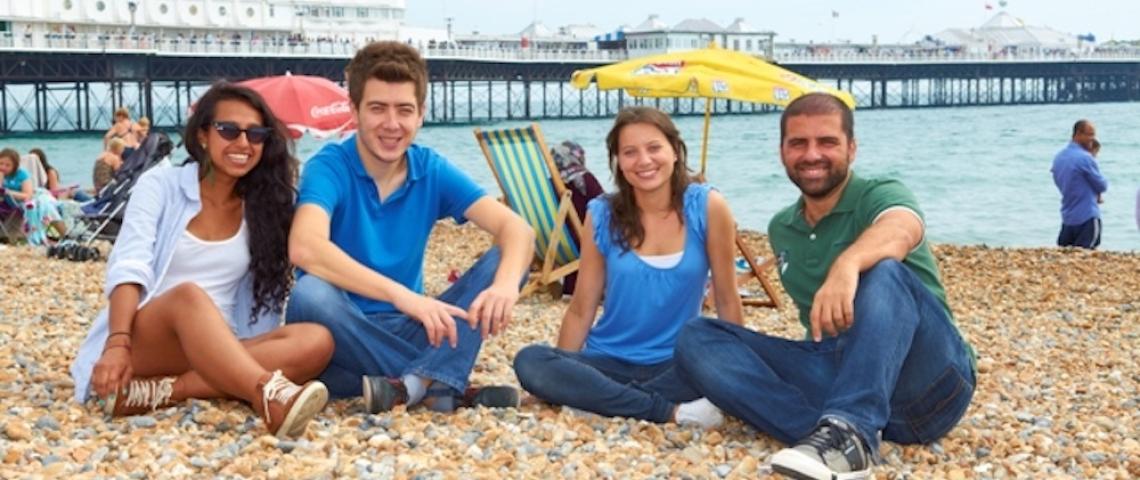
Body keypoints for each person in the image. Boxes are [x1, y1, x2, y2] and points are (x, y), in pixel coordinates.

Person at [675, 93, 976, 480]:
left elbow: (900, 229)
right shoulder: (782, 227)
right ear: (782, 151)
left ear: (851, 148)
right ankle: (827, 435)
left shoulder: (880, 193)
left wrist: (848, 264)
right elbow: (816, 331)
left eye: (827, 142)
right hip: (844, 379)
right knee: (697, 337)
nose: (812, 154)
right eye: (798, 143)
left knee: (884, 272)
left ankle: (849, 432)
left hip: (932, 386)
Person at [69, 83, 333, 439]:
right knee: (189, 296)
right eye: (229, 130)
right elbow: (129, 265)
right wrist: (117, 343)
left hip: (224, 342)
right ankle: (265, 392)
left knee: (318, 341)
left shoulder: (266, 205)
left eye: (255, 134)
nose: (243, 143)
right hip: (149, 335)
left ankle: (167, 391)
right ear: (204, 135)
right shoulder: (161, 185)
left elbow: (317, 245)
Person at [284, 41, 535, 413]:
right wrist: (402, 295)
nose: (392, 124)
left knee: (509, 260)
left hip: (412, 326)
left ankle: (412, 386)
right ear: (354, 111)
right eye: (377, 109)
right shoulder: (330, 166)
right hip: (340, 331)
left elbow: (519, 230)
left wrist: (504, 286)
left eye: (404, 110)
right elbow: (305, 247)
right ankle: (439, 381)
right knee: (311, 293)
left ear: (420, 114)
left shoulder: (429, 168)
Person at [513, 106, 742, 428]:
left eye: (654, 148)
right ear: (618, 162)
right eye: (630, 152)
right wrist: (564, 366)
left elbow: (728, 299)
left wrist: (737, 370)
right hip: (607, 359)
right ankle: (669, 412)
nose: (644, 161)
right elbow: (581, 308)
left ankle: (607, 400)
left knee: (723, 373)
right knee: (531, 361)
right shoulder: (603, 214)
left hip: (679, 365)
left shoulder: (707, 205)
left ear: (675, 151)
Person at [549, 140, 605, 295]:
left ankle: (571, 288)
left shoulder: (549, 184)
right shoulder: (584, 179)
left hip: (554, 242)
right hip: (581, 242)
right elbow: (606, 206)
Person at [1051, 119, 1107, 249]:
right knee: (1086, 257)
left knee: (1066, 258)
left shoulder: (1059, 157)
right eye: (1090, 134)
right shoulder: (1085, 158)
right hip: (1087, 216)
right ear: (1078, 134)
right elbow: (1102, 185)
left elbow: (1059, 180)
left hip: (1068, 216)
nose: (1093, 139)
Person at [0, 148, 69, 245]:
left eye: (7, 165)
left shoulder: (22, 174)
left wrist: (8, 192)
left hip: (29, 199)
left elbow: (28, 195)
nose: (3, 167)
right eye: (1, 163)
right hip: (8, 202)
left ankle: (54, 235)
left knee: (43, 207)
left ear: (14, 166)